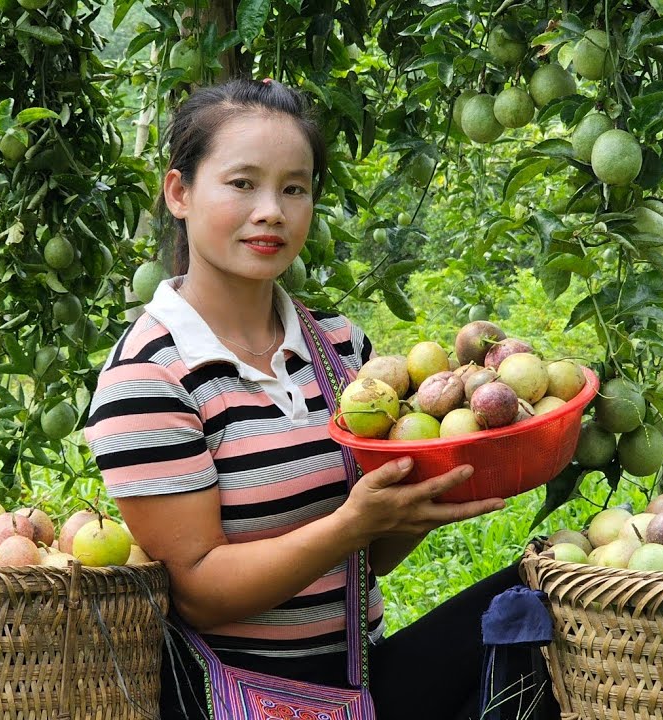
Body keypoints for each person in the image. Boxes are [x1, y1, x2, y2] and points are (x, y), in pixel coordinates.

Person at [85, 78, 553, 719]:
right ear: (180, 193)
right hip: (238, 698)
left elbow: (371, 556)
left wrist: (448, 479)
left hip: (359, 686)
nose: (272, 210)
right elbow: (197, 591)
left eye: (294, 188)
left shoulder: (340, 349)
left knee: (542, 607)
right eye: (242, 183)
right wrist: (350, 524)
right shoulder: (148, 378)